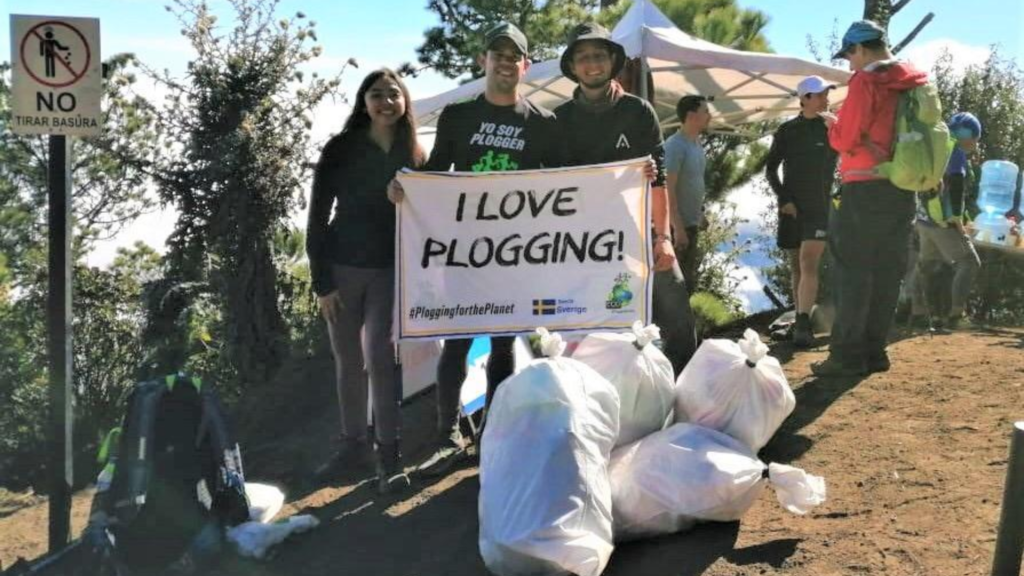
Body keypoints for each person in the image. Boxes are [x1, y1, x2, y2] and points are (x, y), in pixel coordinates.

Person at [388, 22, 561, 477]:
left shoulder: (543, 124)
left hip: (515, 254)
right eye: (497, 53)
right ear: (483, 60)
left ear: (525, 66)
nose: (505, 62)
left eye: (514, 56)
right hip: (465, 252)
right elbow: (439, 170)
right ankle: (447, 432)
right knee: (458, 340)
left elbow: (564, 188)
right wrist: (407, 188)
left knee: (504, 344)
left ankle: (492, 433)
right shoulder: (458, 117)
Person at [554, 22, 697, 375]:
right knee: (598, 331)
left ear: (613, 61)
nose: (592, 64)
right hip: (585, 245)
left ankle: (684, 399)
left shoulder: (638, 112)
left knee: (676, 313)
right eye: (583, 57)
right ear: (572, 67)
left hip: (641, 235)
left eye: (599, 56)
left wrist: (663, 238)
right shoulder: (559, 120)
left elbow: (659, 182)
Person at [306, 68, 424, 494]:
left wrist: (409, 196)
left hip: (390, 269)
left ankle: (388, 454)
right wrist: (322, 284)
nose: (386, 102)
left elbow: (428, 213)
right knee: (347, 362)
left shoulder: (415, 153)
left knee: (379, 356)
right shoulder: (340, 148)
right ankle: (352, 446)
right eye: (377, 95)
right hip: (340, 269)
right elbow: (318, 215)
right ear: (363, 102)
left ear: (405, 102)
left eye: (394, 94)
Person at [812, 20, 929, 377]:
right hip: (902, 186)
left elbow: (847, 140)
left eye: (850, 54)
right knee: (886, 271)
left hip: (864, 187)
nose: (849, 64)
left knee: (853, 271)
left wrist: (833, 125)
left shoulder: (866, 81)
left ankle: (846, 356)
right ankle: (875, 352)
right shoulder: (914, 80)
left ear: (861, 48)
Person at [765, 76, 839, 347]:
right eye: (820, 94)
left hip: (819, 207)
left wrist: (838, 131)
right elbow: (770, 168)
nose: (826, 98)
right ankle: (800, 318)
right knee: (797, 266)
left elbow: (851, 150)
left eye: (826, 94)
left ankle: (804, 324)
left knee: (809, 262)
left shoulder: (832, 128)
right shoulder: (787, 131)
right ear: (805, 98)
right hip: (791, 209)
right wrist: (784, 199)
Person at [909, 112, 983, 330]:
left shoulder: (935, 147)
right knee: (969, 263)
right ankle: (955, 315)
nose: (976, 143)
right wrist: (957, 220)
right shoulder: (956, 151)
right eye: (976, 137)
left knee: (926, 266)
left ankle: (919, 314)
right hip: (942, 220)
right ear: (967, 135)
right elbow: (956, 186)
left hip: (923, 217)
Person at [664, 95, 711, 289]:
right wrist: (678, 228)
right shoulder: (675, 146)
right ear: (692, 116)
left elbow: (694, 180)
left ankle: (682, 320)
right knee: (674, 285)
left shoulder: (696, 143)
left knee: (687, 282)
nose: (710, 116)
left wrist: (699, 213)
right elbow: (667, 188)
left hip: (691, 224)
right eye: (705, 112)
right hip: (677, 227)